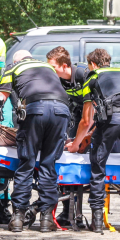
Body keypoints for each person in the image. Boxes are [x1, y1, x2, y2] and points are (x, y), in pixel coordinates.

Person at [66, 48, 120, 235]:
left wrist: (77, 143)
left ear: (93, 64)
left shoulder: (92, 76)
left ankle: (97, 222)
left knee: (98, 168)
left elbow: (86, 120)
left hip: (111, 120)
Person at [0, 50, 70, 233]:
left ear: (16, 60)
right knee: (48, 164)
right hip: (61, 110)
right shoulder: (47, 68)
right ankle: (46, 219)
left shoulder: (12, 68)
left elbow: (1, 97)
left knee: (27, 163)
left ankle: (18, 218)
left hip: (35, 109)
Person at [46, 46, 89, 228]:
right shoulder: (56, 80)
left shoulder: (82, 75)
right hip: (74, 118)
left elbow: (92, 108)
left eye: (52, 67)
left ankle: (82, 212)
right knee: (66, 162)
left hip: (89, 117)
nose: (50, 71)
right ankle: (67, 210)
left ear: (64, 66)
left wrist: (87, 135)